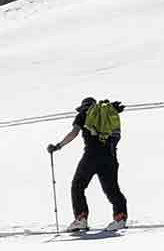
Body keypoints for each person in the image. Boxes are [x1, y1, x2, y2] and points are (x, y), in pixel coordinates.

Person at [48, 97, 128, 231]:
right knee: (112, 189)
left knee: (77, 186)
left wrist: (58, 146)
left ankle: (81, 218)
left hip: (91, 156)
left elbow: (74, 133)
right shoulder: (107, 112)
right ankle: (120, 217)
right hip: (110, 156)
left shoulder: (83, 114)